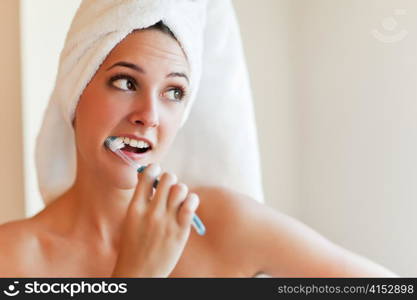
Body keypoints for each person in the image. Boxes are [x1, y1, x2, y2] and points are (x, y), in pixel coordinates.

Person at [0, 1, 396, 277]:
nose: (149, 116)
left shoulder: (226, 227)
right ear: (76, 90)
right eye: (125, 82)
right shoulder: (12, 260)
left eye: (173, 92)